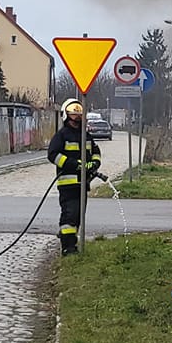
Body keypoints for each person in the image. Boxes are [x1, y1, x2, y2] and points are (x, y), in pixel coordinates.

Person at [49, 98, 103, 255]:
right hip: (68, 184)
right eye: (73, 116)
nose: (76, 120)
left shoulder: (86, 136)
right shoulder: (61, 136)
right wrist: (74, 164)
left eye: (79, 116)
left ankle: (72, 242)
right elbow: (53, 155)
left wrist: (94, 164)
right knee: (70, 216)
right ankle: (68, 248)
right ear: (66, 116)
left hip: (83, 183)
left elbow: (96, 152)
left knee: (78, 216)